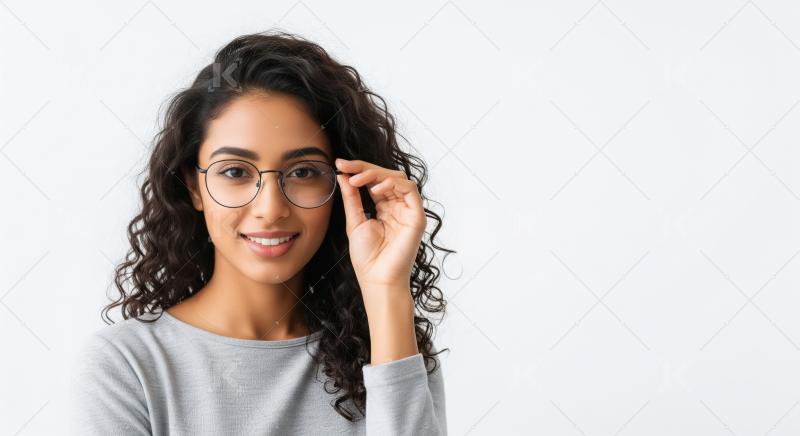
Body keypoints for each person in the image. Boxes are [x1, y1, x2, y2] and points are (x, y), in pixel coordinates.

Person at [68, 30, 453, 435]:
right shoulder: (127, 366)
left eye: (303, 172)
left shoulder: (394, 353)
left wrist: (386, 289)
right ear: (194, 187)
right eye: (235, 172)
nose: (271, 209)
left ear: (344, 186)